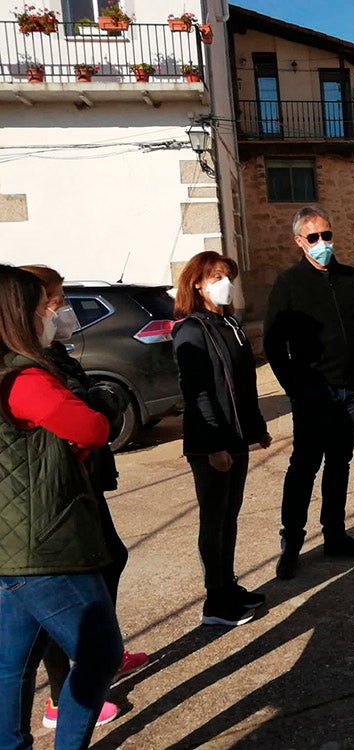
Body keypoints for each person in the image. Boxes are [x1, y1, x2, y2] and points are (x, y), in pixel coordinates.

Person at [0, 264, 123, 749]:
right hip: (46, 541)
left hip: (12, 543)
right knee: (99, 653)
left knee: (12, 664)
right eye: (41, 308)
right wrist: (98, 406)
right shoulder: (23, 377)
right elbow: (92, 428)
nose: (50, 315)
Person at [22, 265, 148, 731]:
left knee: (109, 559)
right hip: (55, 498)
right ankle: (61, 697)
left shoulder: (55, 354)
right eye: (53, 301)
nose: (63, 309)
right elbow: (85, 422)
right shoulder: (30, 368)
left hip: (85, 483)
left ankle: (101, 653)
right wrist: (100, 404)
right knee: (58, 597)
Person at [264, 205, 354, 580]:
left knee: (339, 463)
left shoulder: (349, 277)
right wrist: (299, 389)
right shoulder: (289, 283)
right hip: (315, 393)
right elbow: (274, 345)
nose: (322, 243)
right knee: (304, 466)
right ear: (300, 242)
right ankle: (292, 544)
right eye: (313, 238)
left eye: (326, 235)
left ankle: (335, 535)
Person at [173, 252, 271, 626]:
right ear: (198, 282)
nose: (224, 282)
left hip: (235, 437)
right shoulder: (191, 330)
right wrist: (213, 444)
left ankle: (228, 586)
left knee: (229, 517)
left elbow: (244, 385)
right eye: (216, 276)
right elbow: (197, 392)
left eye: (228, 275)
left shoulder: (228, 324)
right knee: (213, 520)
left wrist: (256, 427)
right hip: (211, 441)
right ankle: (215, 602)